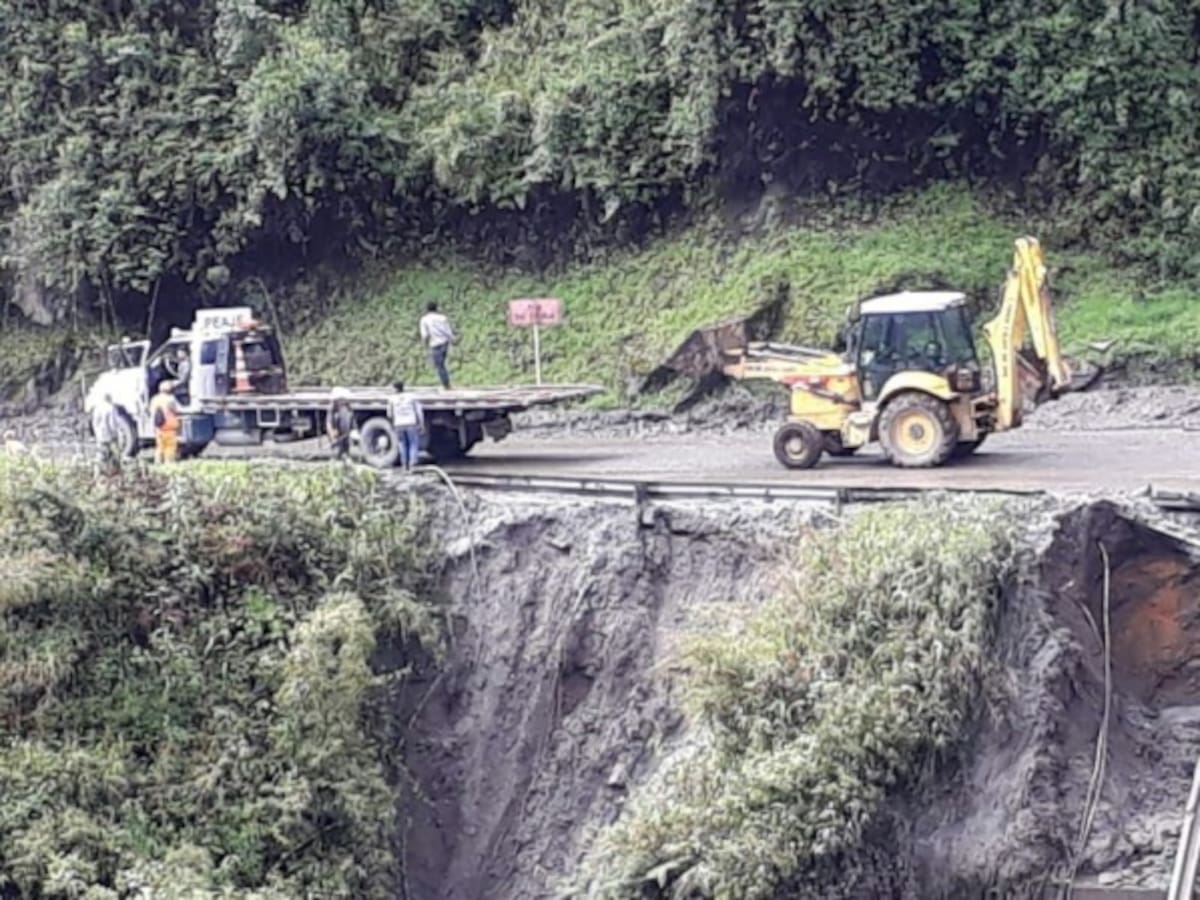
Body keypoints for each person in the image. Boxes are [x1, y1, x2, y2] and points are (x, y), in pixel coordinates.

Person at [418, 301, 455, 389]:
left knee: (440, 365)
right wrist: (452, 339)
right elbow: (448, 331)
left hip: (435, 344)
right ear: (436, 308)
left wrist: (424, 344)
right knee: (441, 363)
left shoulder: (424, 319)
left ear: (427, 309)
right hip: (445, 343)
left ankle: (446, 384)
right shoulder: (443, 318)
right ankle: (446, 383)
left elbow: (425, 335)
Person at [389, 381, 424, 472]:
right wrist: (421, 423)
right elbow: (419, 412)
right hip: (410, 423)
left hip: (399, 424)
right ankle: (412, 465)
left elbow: (390, 414)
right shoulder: (411, 397)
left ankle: (404, 465)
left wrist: (393, 423)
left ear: (395, 389)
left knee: (402, 444)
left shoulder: (392, 399)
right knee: (413, 443)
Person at [148, 380, 181, 464]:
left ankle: (158, 462)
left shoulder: (155, 399)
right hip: (169, 427)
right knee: (170, 447)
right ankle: (168, 463)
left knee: (160, 446)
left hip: (159, 427)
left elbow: (151, 412)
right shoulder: (171, 399)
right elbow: (177, 410)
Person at [91, 393, 122, 473]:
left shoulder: (97, 408)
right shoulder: (111, 408)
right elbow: (113, 423)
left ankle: (97, 472)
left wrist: (97, 433)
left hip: (100, 435)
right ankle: (115, 472)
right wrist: (116, 434)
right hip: (110, 435)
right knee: (115, 454)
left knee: (100, 454)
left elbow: (95, 423)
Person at [326, 388, 354, 461]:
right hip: (336, 431)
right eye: (340, 400)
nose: (342, 402)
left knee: (345, 444)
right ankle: (335, 455)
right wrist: (332, 435)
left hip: (345, 433)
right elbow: (328, 422)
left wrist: (350, 431)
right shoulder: (332, 408)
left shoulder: (348, 408)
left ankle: (345, 454)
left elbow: (351, 421)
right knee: (335, 444)